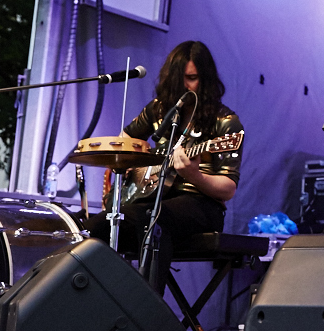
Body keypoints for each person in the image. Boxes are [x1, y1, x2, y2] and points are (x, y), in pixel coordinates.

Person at [85, 40, 243, 292]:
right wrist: (134, 167)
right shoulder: (159, 109)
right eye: (180, 78)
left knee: (151, 217)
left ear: (206, 79)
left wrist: (194, 175)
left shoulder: (225, 123)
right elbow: (125, 140)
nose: (185, 86)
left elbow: (227, 189)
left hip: (201, 205)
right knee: (93, 227)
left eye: (192, 78)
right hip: (151, 200)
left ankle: (148, 311)